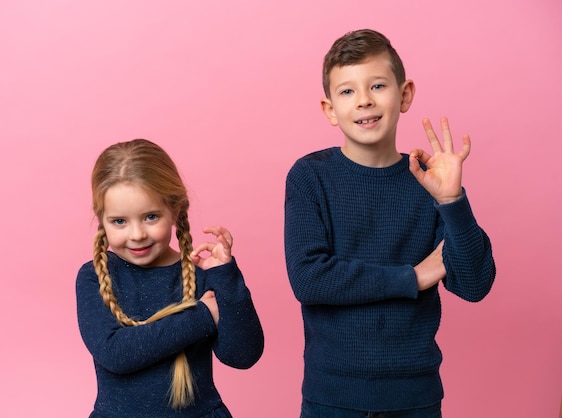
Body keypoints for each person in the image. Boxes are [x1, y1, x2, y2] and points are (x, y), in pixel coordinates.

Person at [284, 29, 496, 417]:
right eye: (347, 92)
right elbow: (309, 278)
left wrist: (451, 199)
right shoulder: (310, 176)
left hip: (415, 398)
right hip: (331, 398)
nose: (364, 100)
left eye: (377, 85)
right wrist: (411, 278)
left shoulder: (427, 181)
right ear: (330, 109)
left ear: (405, 94)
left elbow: (474, 284)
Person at [76, 139, 264, 417]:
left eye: (151, 217)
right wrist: (202, 316)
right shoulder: (94, 276)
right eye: (119, 221)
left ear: (175, 210)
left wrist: (225, 276)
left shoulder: (201, 274)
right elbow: (115, 353)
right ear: (101, 219)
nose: (137, 234)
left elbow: (242, 355)